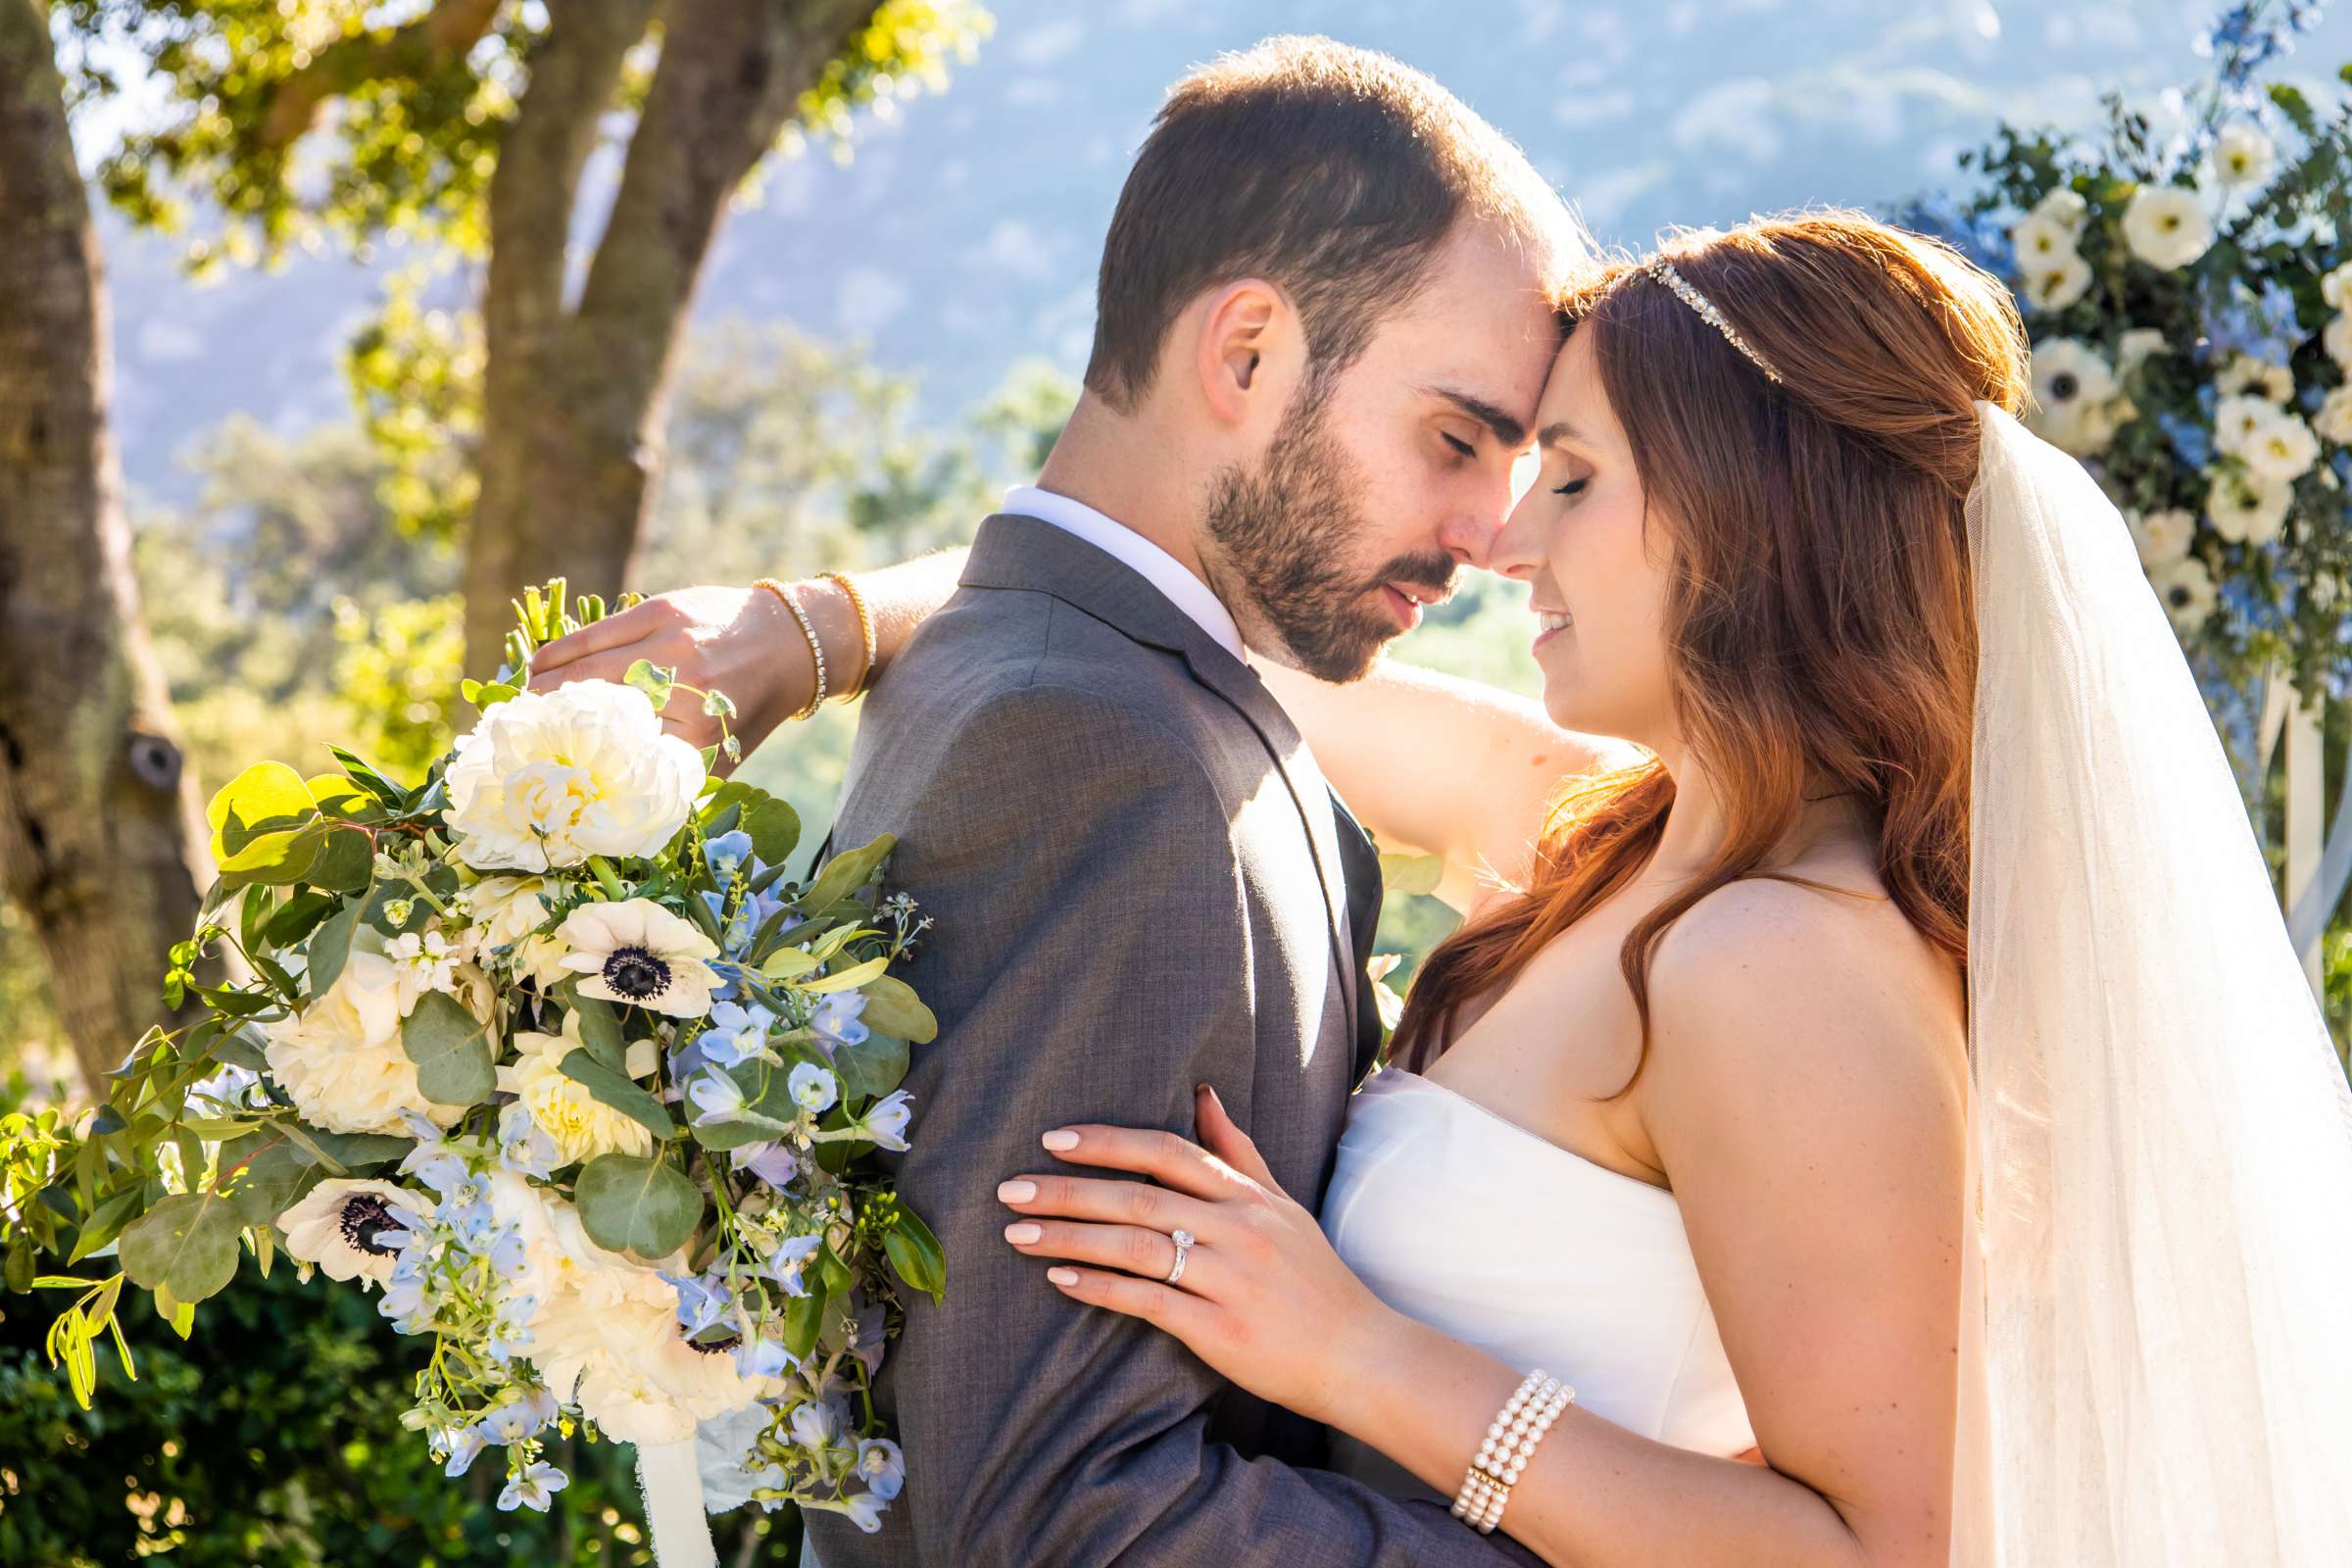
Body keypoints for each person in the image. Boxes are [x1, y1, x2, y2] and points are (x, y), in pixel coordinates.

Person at [562, 209, 2352, 1566]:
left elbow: (1885, 1553)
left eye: (1573, 478)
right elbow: (1184, 635)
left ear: (1750, 517)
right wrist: (822, 625)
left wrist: (1362, 1360)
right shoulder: (1625, 836)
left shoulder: (1782, 965)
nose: (1503, 539)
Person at [529, 33, 1592, 1568]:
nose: (1487, 533)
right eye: (1454, 439)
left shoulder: (1058, 670)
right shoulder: (1102, 755)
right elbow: (1061, 1514)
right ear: (1245, 353)